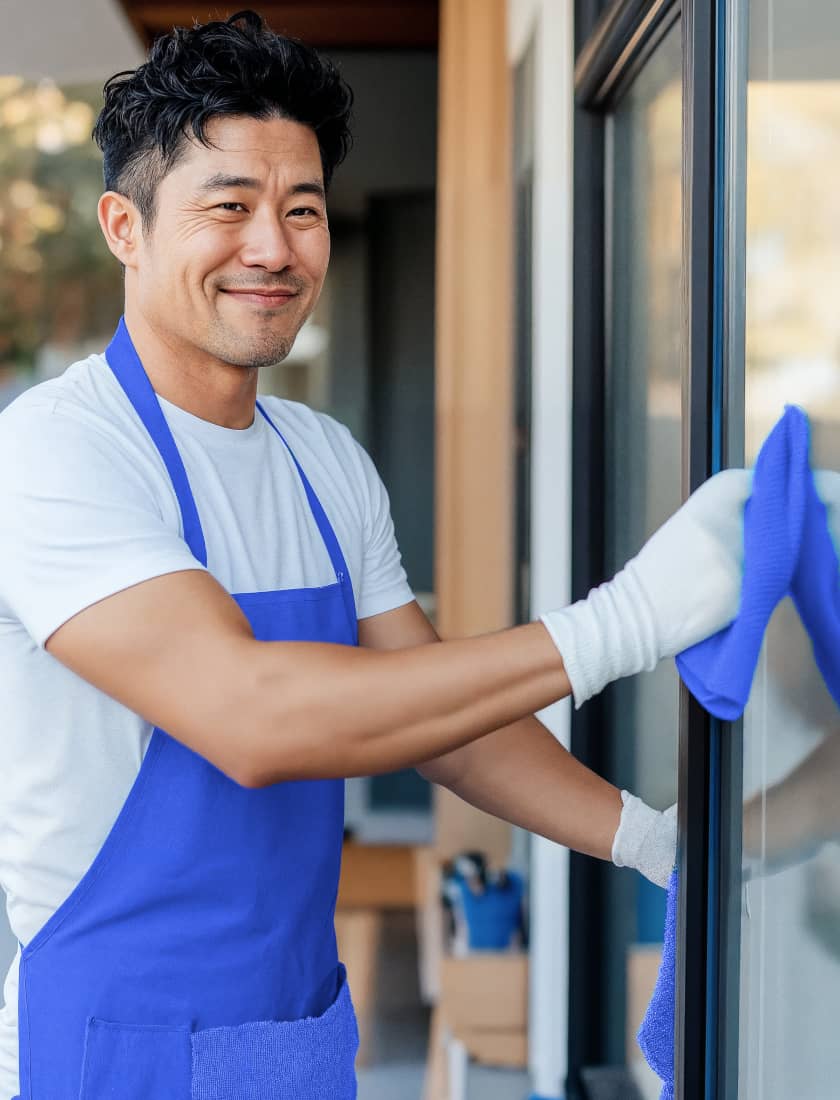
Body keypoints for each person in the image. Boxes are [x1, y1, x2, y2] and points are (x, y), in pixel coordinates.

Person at [0, 11, 752, 1099]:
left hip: (292, 1043)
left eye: (301, 210)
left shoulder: (322, 459)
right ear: (125, 225)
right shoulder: (56, 451)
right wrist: (620, 622)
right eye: (229, 207)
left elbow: (444, 728)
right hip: (108, 1054)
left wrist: (644, 837)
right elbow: (254, 716)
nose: (274, 246)